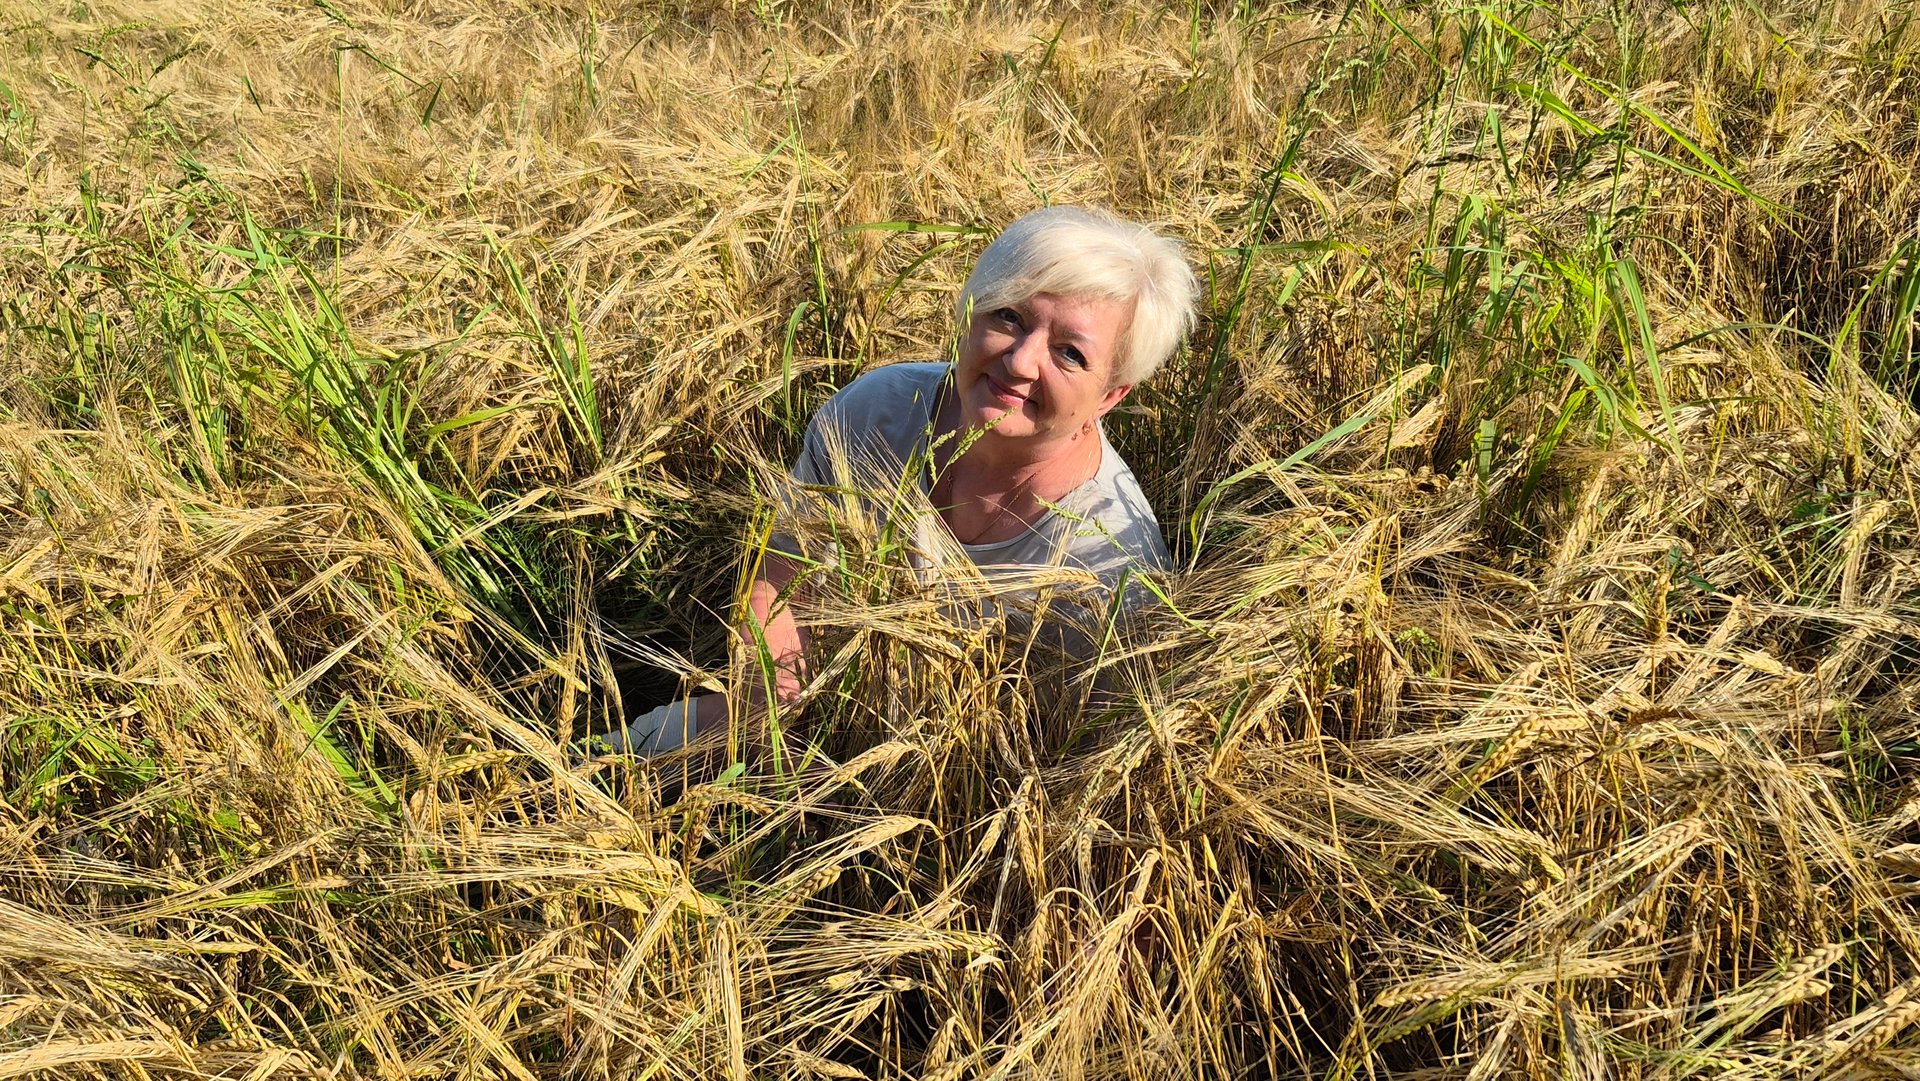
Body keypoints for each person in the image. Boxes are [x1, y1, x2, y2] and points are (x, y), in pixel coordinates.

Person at [603, 205, 1198, 756]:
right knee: (603, 770)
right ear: (970, 312)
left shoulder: (1113, 560)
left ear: (1111, 396)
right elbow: (782, 577)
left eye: (1069, 353)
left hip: (955, 802)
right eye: (1009, 317)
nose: (1020, 361)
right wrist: (776, 723)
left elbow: (1073, 753)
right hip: (804, 711)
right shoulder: (875, 414)